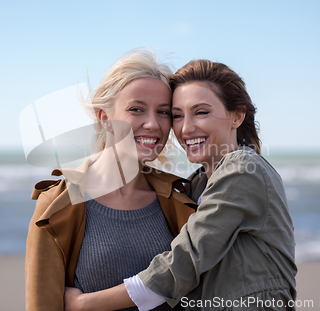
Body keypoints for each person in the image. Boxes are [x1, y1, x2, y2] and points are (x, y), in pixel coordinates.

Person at [64, 59, 297, 310]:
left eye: (201, 112)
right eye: (176, 115)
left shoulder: (243, 170)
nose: (185, 128)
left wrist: (83, 304)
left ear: (237, 116)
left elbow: (183, 264)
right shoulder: (195, 185)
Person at [25, 48, 196, 311]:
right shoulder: (56, 205)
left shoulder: (180, 199)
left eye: (163, 112)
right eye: (137, 109)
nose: (152, 124)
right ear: (105, 118)